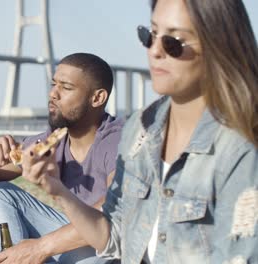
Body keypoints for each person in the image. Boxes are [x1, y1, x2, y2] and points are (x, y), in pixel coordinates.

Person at [21, 0, 258, 263]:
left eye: (173, 42)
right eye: (150, 35)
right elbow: (112, 235)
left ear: (217, 47)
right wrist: (56, 189)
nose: (155, 50)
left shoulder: (241, 146)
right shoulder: (140, 128)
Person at [0, 53, 124, 263]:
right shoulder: (52, 139)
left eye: (66, 87)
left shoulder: (119, 140)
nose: (53, 94)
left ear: (97, 98)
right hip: (76, 238)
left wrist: (40, 247)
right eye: (54, 84)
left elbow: (114, 214)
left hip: (113, 246)